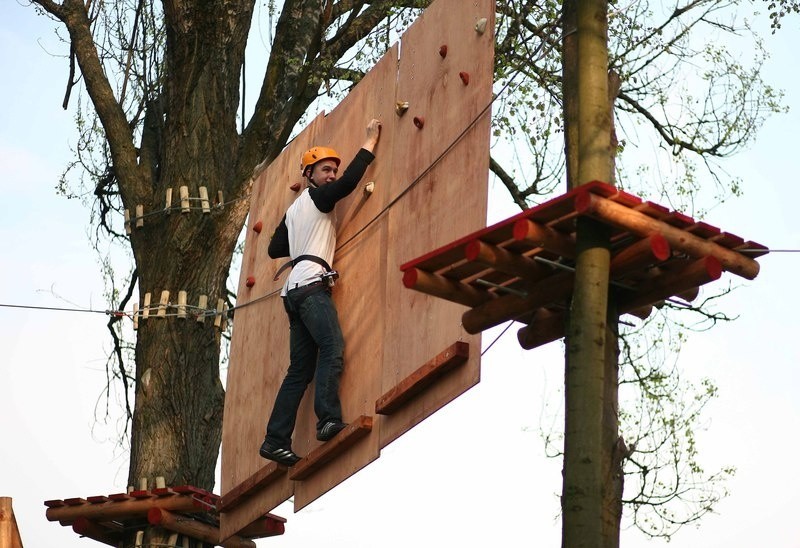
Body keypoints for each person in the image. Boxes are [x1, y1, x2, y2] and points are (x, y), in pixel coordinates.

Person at [259, 119, 382, 466]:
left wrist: (303, 236)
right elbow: (347, 184)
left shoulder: (295, 209)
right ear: (310, 175)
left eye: (333, 169)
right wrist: (370, 141)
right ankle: (327, 418)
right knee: (332, 347)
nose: (331, 174)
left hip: (293, 291)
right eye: (325, 169)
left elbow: (274, 248)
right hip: (311, 285)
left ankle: (274, 439)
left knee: (300, 370)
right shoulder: (317, 197)